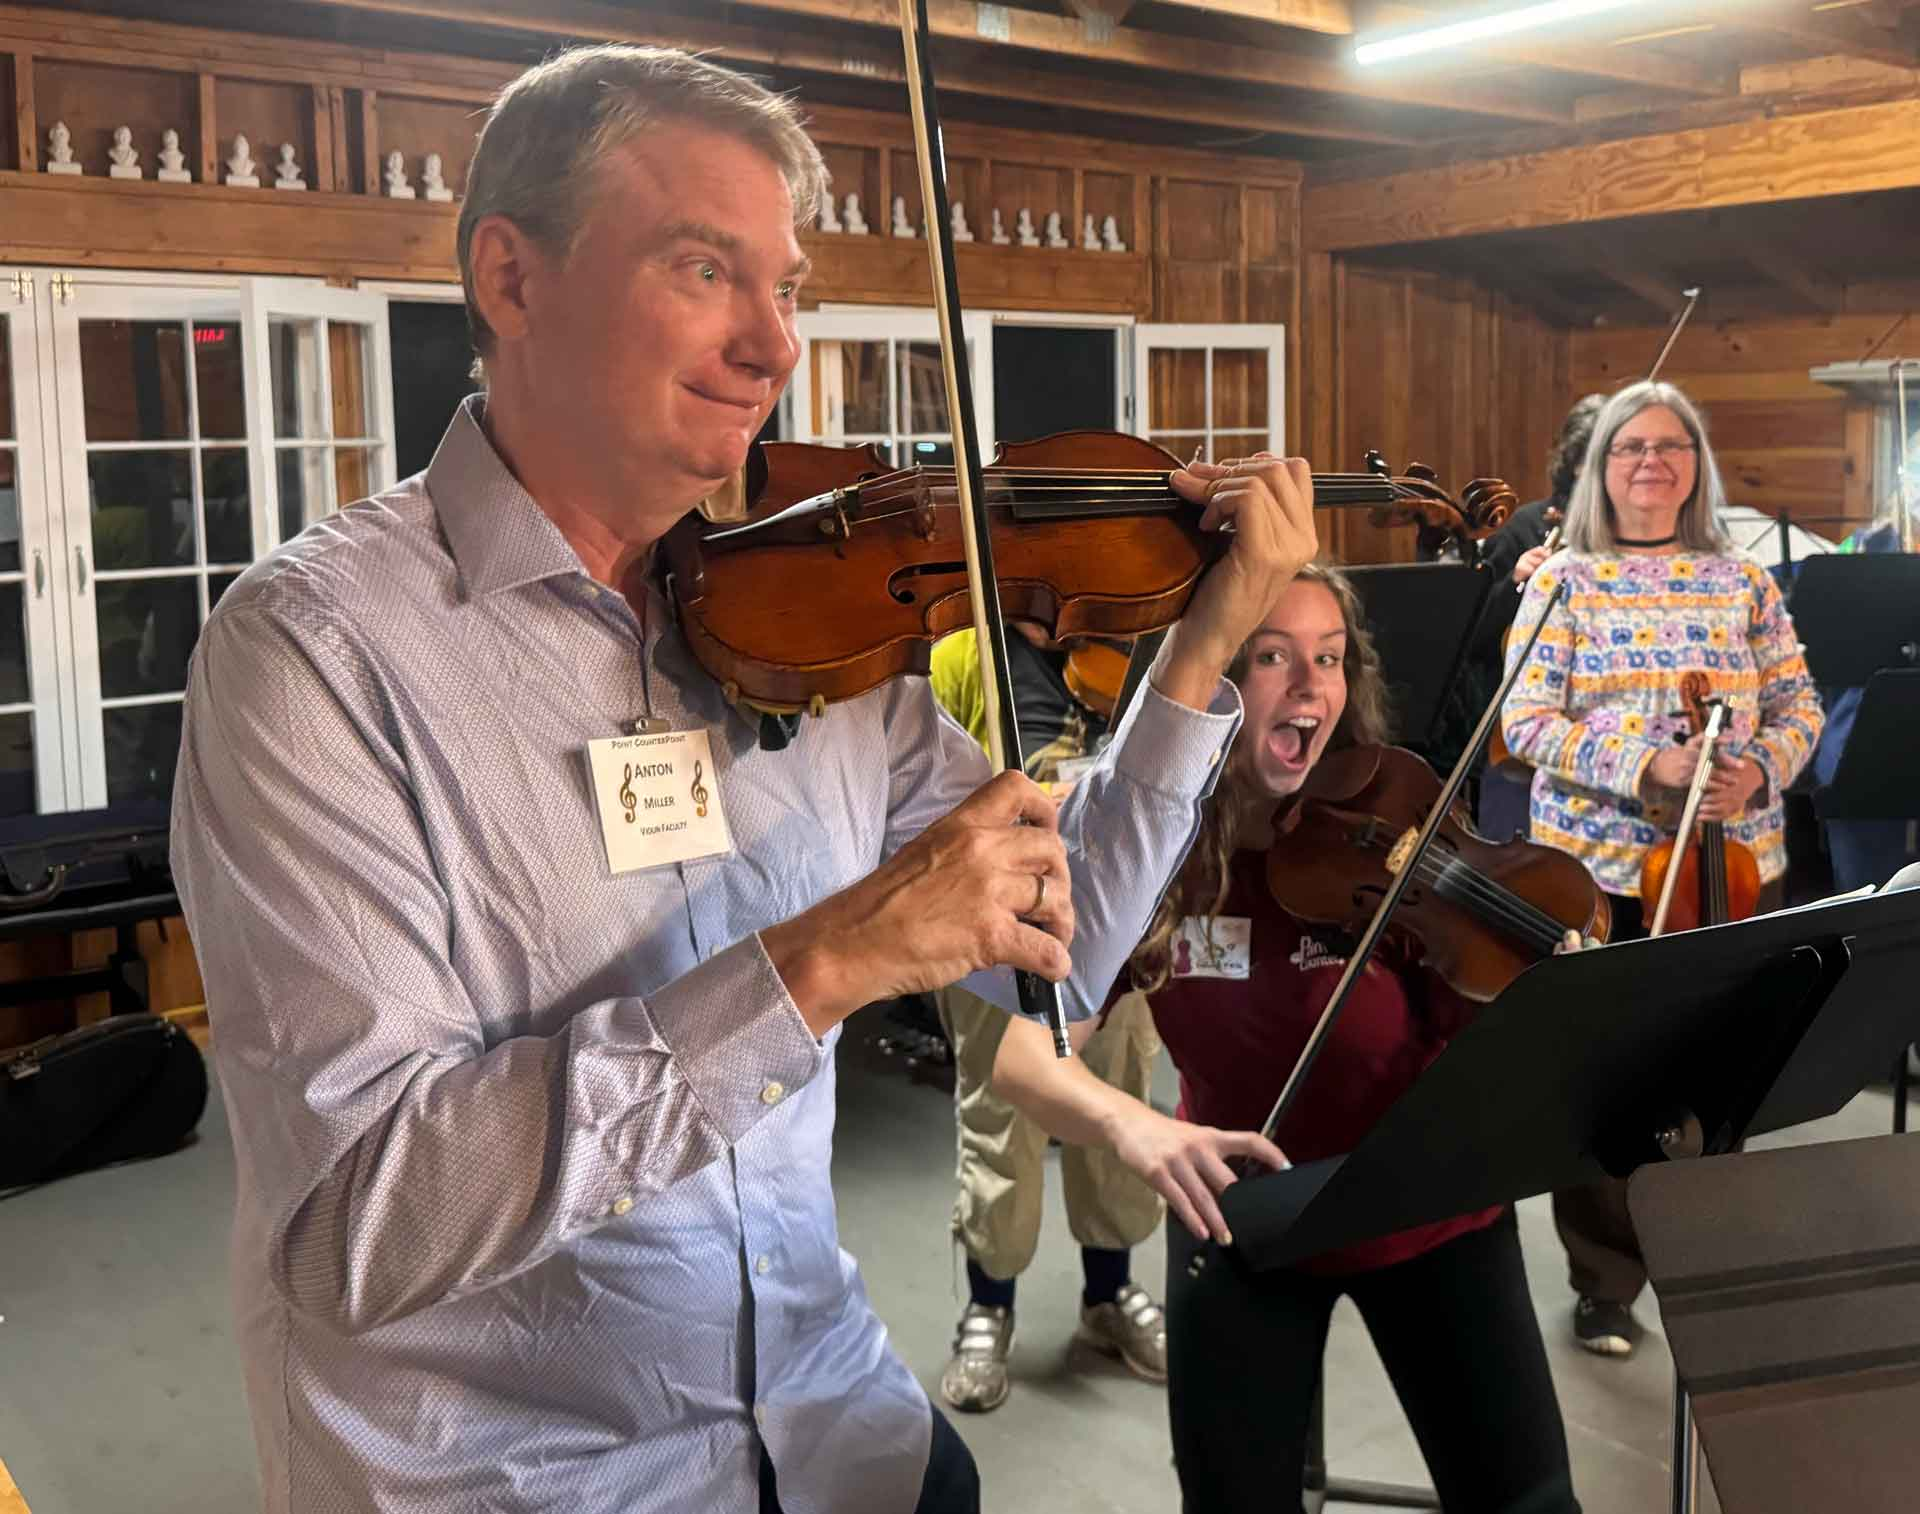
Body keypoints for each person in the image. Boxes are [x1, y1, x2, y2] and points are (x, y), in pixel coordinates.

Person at [170, 43, 1318, 1514]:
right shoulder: (314, 655)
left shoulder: (809, 625)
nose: (774, 347)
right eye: (704, 269)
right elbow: (359, 1218)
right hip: (530, 1478)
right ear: (511, 283)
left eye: (787, 289)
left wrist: (1206, 651)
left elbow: (1068, 945)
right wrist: (826, 958)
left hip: (834, 1429)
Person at [993, 562, 1584, 1514]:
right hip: (1244, 1217)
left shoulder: (1395, 824)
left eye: (1331, 658)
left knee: (1531, 1508)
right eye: (1272, 657)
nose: (1311, 686)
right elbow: (1024, 1057)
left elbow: (1499, 1015)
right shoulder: (1146, 849)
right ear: (1205, 677)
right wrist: (1133, 1126)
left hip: (1430, 1213)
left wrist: (1545, 977)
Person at [1501, 378, 1824, 1356]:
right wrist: (1646, 763)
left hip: (1728, 865)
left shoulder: (1745, 583)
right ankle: (1605, 1278)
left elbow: (1799, 706)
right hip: (1596, 868)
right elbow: (1523, 721)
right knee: (1608, 1072)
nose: (1650, 460)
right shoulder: (1564, 578)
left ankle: (1707, 1241)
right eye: (1629, 445)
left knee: (1722, 1063)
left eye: (1670, 444)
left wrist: (1753, 772)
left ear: (1697, 466)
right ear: (1601, 467)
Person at [927, 624, 1167, 1413]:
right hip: (1000, 937)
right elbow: (916, 802)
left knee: (1119, 1101)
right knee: (1000, 1122)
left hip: (1118, 928)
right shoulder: (961, 655)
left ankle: (1109, 1296)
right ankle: (988, 1305)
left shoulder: (1133, 640)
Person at [1464, 393, 1608, 842]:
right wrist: (1515, 585)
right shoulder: (1528, 526)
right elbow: (1474, 637)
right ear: (1573, 466)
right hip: (1526, 751)